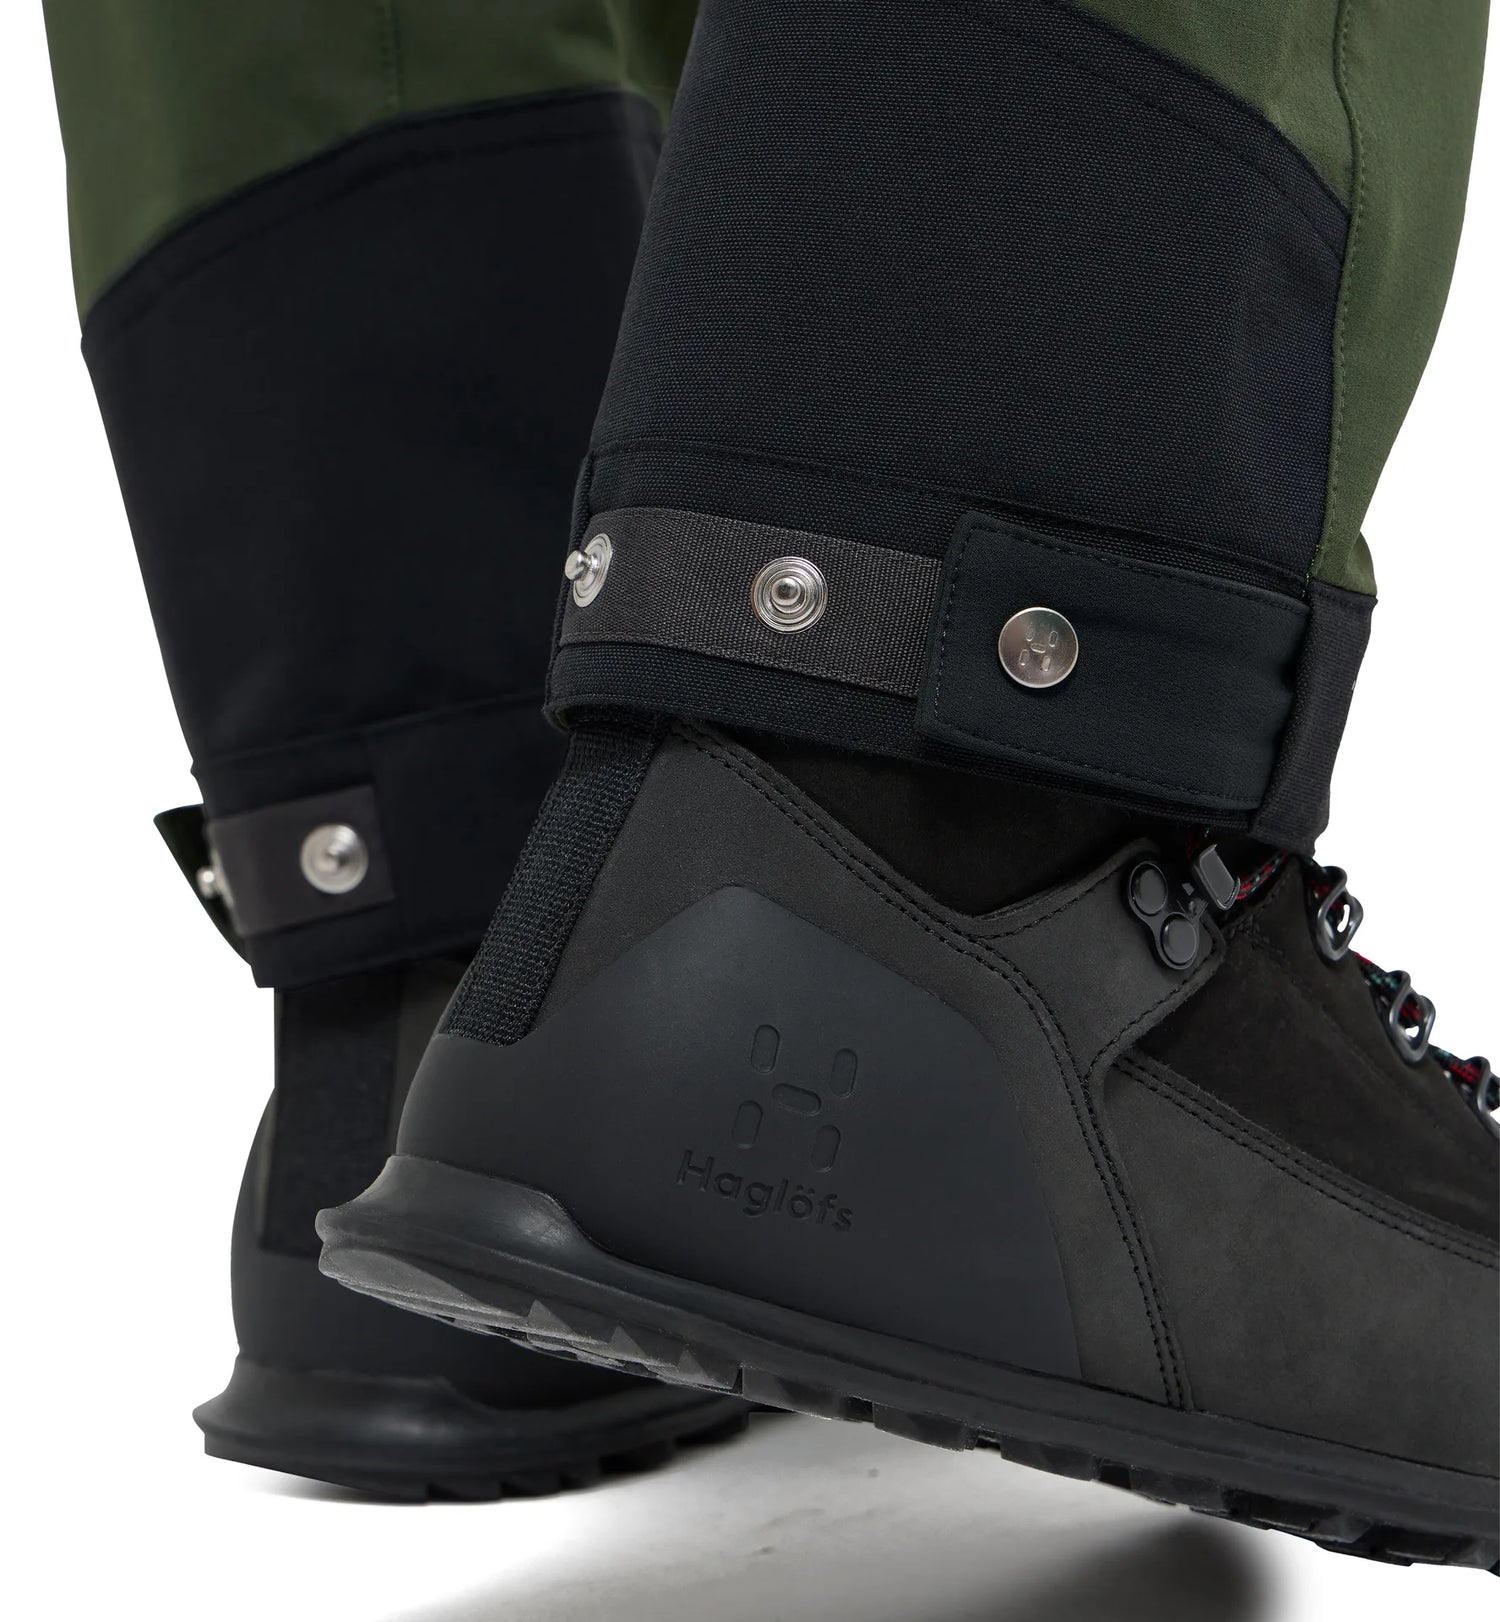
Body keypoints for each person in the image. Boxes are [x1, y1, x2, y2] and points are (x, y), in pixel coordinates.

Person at [49, 0, 1496, 1567]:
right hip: (1007, 972)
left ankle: (503, 947)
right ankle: (969, 857)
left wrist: (427, 788)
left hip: (532, 1003)